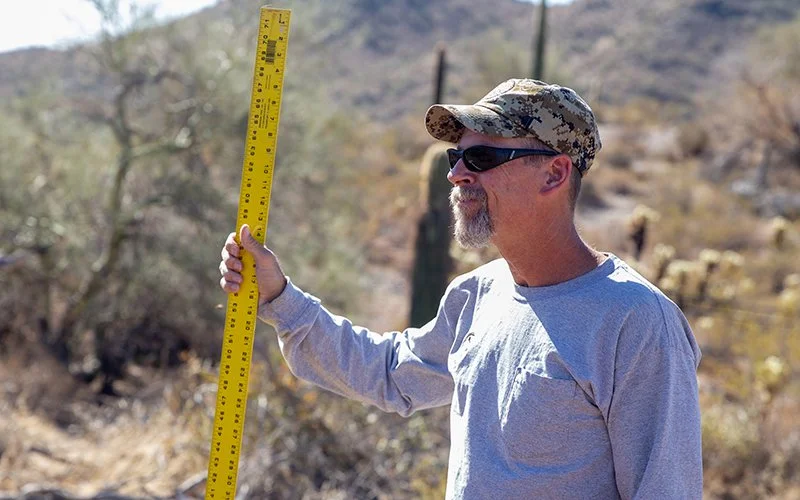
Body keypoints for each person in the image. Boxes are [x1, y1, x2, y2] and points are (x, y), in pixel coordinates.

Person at [218, 79, 703, 499]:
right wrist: (281, 300)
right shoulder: (476, 294)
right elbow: (389, 374)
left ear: (554, 173)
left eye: (482, 156)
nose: (456, 174)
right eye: (456, 156)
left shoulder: (637, 324)